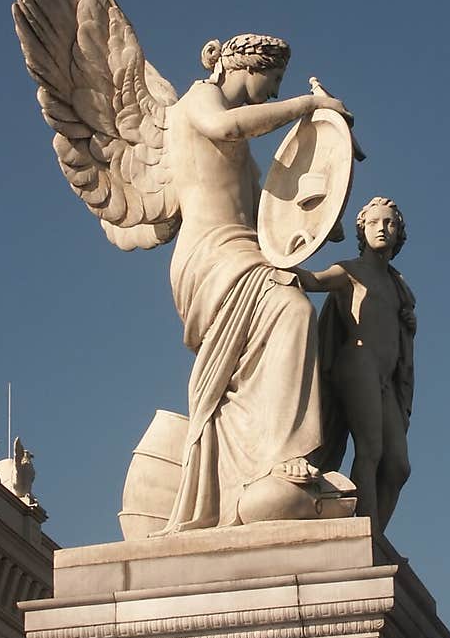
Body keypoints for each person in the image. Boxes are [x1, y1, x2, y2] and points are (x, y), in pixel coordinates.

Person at [162, 33, 351, 531]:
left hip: (245, 248)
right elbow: (225, 127)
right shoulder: (200, 101)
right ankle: (284, 455)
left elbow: (269, 214)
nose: (273, 92)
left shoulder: (245, 154)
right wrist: (307, 104)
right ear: (248, 66)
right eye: (275, 80)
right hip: (211, 255)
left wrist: (317, 214)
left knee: (261, 357)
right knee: (290, 311)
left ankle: (262, 464)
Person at [297, 197, 416, 536]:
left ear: (399, 233)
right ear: (362, 229)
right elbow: (313, 281)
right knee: (371, 450)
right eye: (375, 222)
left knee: (398, 466)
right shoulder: (350, 271)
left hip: (386, 377)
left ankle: (374, 532)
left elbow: (401, 334)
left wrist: (410, 325)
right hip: (357, 362)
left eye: (390, 223)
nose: (383, 228)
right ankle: (368, 532)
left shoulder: (400, 287)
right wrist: (281, 255)